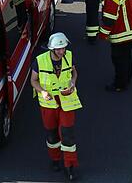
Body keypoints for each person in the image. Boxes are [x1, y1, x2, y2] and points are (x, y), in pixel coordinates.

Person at [31, 32, 82, 181]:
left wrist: (73, 82)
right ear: (51, 49)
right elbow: (33, 80)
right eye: (59, 49)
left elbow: (74, 73)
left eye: (63, 48)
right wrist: (42, 91)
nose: (62, 51)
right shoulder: (40, 61)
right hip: (48, 103)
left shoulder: (69, 56)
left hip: (67, 100)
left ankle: (69, 165)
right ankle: (55, 159)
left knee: (67, 133)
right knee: (52, 134)